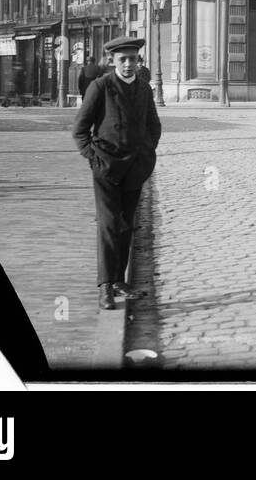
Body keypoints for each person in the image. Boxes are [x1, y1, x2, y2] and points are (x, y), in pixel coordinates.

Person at [72, 36, 162, 310]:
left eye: (132, 59)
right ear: (112, 61)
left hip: (135, 169)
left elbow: (153, 125)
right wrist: (94, 159)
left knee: (126, 225)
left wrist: (146, 153)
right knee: (109, 225)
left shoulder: (144, 89)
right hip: (107, 168)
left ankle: (120, 280)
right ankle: (106, 287)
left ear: (138, 61)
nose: (128, 64)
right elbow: (80, 130)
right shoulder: (100, 87)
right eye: (122, 59)